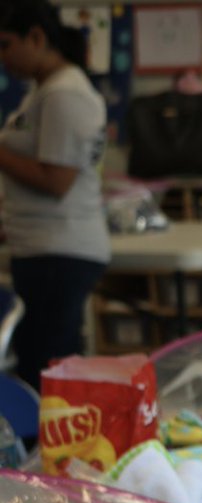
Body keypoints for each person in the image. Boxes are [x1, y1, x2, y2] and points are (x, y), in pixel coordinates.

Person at [0, 0, 109, 392]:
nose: (3, 57)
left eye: (7, 44)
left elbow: (56, 180)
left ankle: (52, 452)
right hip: (42, 249)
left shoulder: (64, 94)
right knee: (37, 360)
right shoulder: (43, 91)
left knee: (46, 371)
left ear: (37, 37)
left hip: (58, 253)